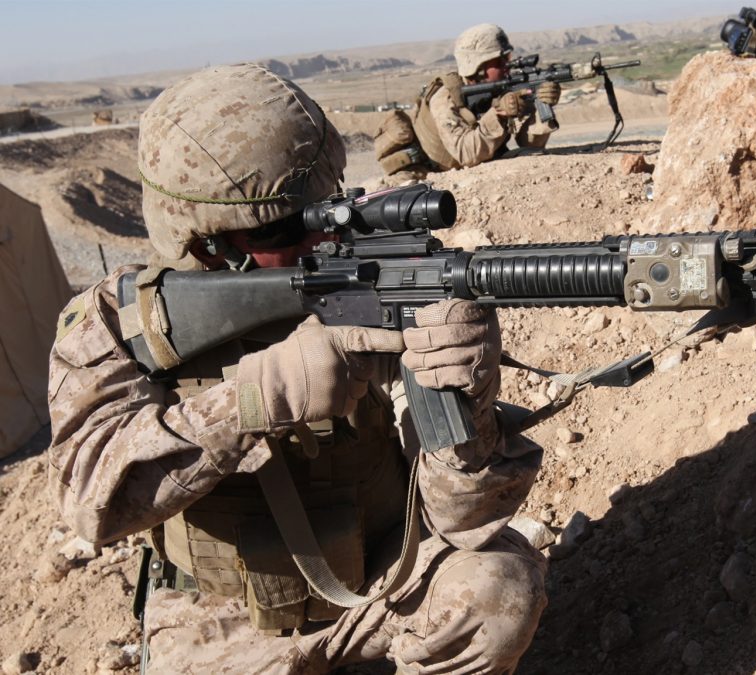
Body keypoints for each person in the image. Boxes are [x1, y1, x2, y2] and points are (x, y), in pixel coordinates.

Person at [47, 63, 547, 674]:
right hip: (221, 624)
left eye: (328, 206)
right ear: (205, 242)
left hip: (385, 575)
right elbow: (89, 502)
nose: (322, 240)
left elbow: (462, 518)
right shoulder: (122, 321)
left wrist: (467, 394)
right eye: (290, 227)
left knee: (499, 590)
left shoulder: (365, 277)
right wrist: (255, 399)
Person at [384, 23, 559, 174]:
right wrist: (499, 114)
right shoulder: (444, 98)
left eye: (508, 59)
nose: (507, 66)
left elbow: (530, 145)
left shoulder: (502, 89)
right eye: (499, 62)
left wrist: (541, 106)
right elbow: (466, 154)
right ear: (477, 66)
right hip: (435, 175)